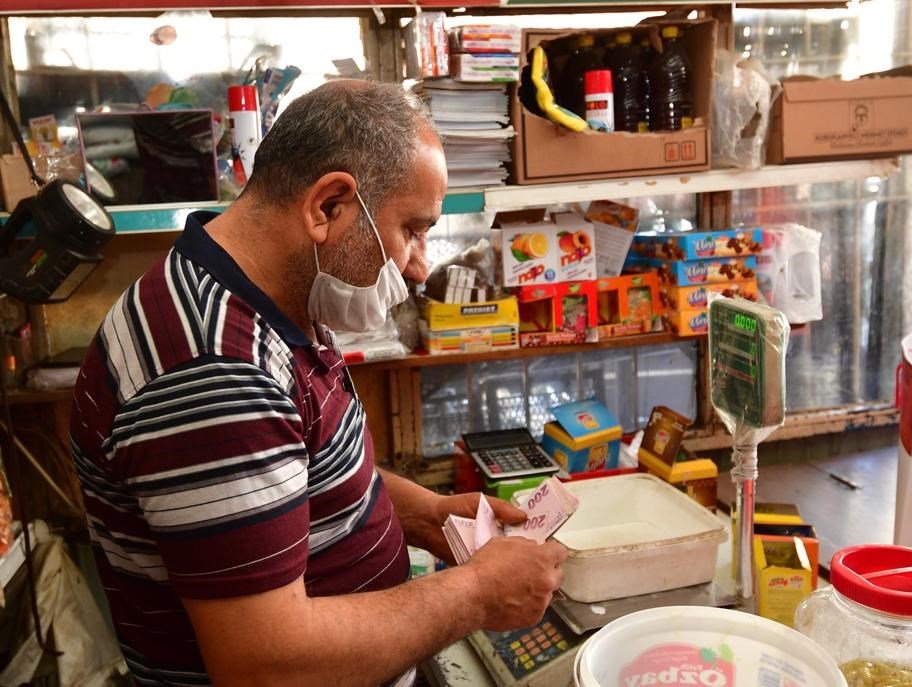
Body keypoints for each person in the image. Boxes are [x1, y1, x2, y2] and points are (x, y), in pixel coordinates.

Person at [70, 80, 566, 686]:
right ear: (328, 206)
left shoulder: (271, 295)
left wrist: (425, 515)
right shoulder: (215, 370)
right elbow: (264, 665)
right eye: (412, 229)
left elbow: (288, 477)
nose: (420, 264)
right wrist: (475, 597)